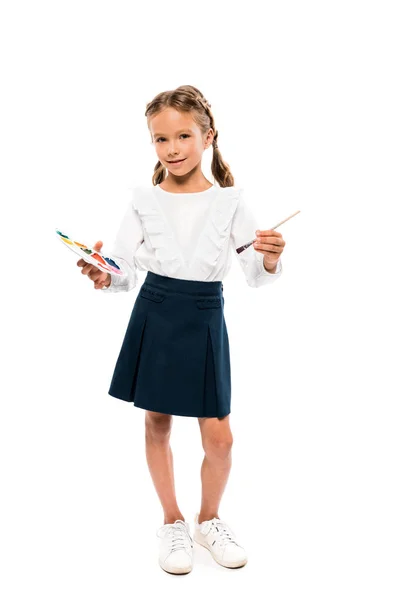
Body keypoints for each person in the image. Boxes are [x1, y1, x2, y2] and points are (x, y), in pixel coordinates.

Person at [76, 85, 285, 575]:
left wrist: (270, 256)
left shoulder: (231, 202)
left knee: (220, 438)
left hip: (205, 315)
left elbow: (254, 274)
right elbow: (123, 269)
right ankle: (171, 522)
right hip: (156, 311)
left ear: (207, 136)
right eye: (160, 139)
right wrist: (103, 273)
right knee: (157, 422)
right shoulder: (143, 200)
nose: (172, 148)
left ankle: (207, 520)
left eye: (183, 136)